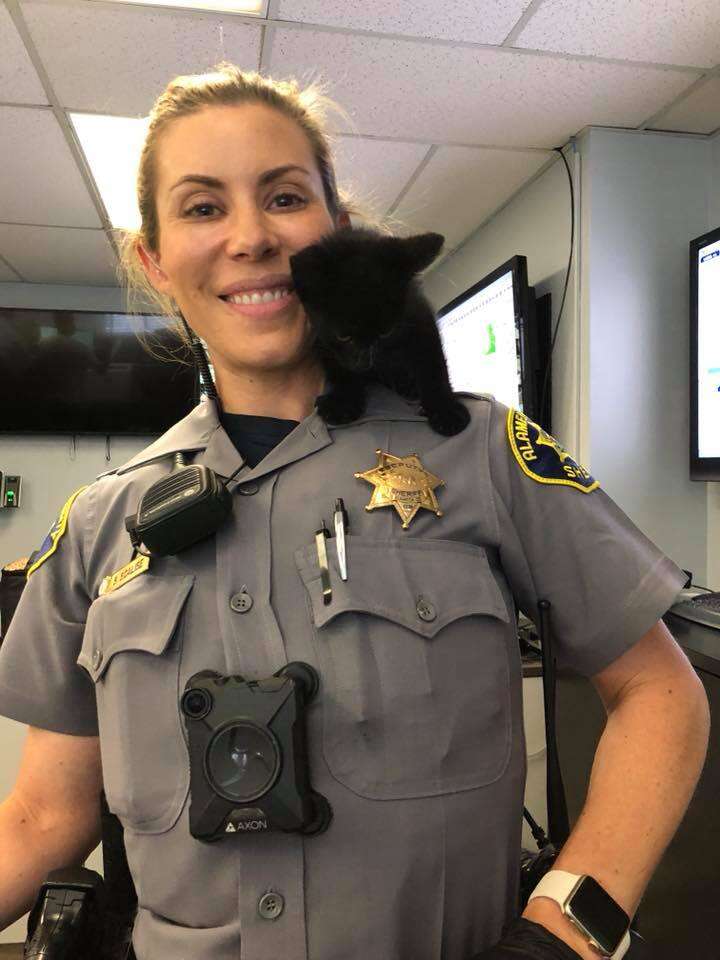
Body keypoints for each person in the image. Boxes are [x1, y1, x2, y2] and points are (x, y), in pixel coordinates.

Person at [0, 63, 710, 960]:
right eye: (203, 207)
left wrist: (566, 932)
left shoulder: (482, 451)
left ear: (337, 231)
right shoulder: (100, 526)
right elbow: (37, 814)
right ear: (154, 258)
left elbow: (660, 694)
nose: (252, 238)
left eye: (285, 196)